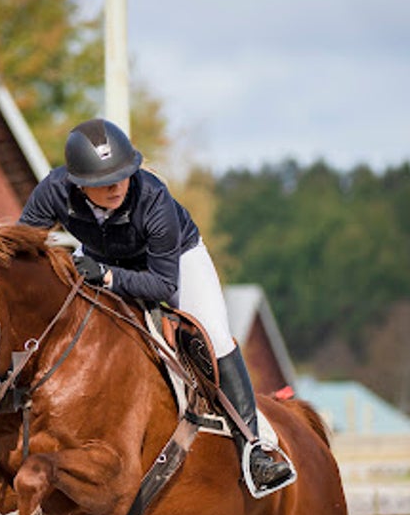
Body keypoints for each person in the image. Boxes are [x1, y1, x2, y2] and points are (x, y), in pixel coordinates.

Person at [19, 118, 292, 494]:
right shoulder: (53, 190)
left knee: (212, 333)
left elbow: (162, 285)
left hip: (173, 261)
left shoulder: (154, 199)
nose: (116, 186)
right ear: (79, 184)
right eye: (102, 183)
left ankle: (255, 448)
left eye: (123, 175)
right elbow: (22, 251)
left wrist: (108, 276)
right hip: (100, 257)